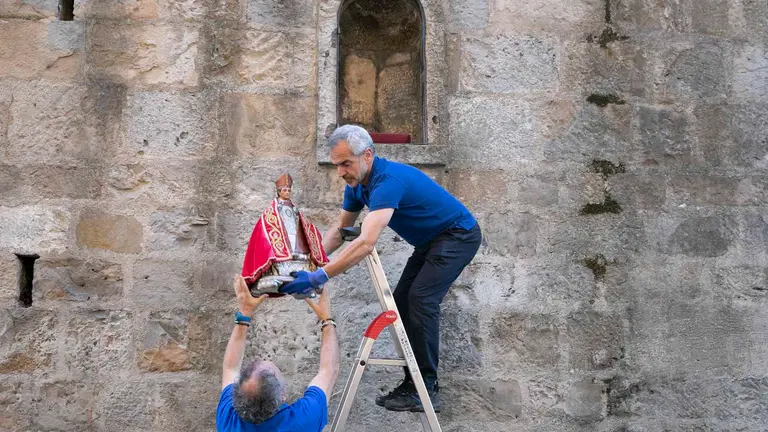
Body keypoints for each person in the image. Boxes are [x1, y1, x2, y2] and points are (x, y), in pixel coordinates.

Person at [281, 124, 482, 412]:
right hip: (430, 242)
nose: (340, 172)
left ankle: (425, 387)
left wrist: (321, 275)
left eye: (346, 164)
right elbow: (341, 231)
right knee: (401, 303)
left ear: (367, 155)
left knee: (422, 299)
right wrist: (309, 262)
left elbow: (366, 242)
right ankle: (414, 383)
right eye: (337, 165)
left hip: (458, 235)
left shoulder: (388, 181)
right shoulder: (357, 186)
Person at [216, 275, 340, 431]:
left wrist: (244, 313)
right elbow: (329, 370)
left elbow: (230, 367)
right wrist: (326, 319)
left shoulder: (229, 421)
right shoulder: (303, 420)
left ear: (236, 395)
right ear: (282, 397)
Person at [241, 172, 329, 298]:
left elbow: (304, 223)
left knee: (297, 246)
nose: (287, 192)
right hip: (281, 234)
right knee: (281, 248)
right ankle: (272, 278)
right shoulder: (272, 211)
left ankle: (303, 282)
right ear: (279, 192)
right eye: (284, 190)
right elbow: (267, 227)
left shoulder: (294, 209)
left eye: (289, 190)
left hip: (294, 233)